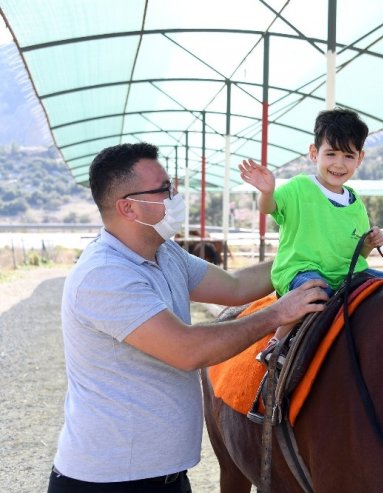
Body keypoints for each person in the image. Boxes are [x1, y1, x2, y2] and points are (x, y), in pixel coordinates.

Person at [47, 142, 329, 492]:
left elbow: (236, 286)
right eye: (164, 189)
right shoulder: (104, 274)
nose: (175, 195)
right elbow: (187, 350)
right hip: (109, 481)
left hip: (167, 477)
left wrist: (314, 261)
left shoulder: (165, 255)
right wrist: (277, 313)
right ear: (128, 207)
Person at [239, 108, 383, 362]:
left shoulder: (355, 203)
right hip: (303, 271)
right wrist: (267, 192)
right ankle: (277, 344)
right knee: (316, 292)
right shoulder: (300, 187)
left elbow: (358, 254)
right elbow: (269, 208)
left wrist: (369, 243)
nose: (339, 164)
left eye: (348, 155)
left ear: (360, 158)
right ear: (314, 153)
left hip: (347, 276)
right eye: (330, 153)